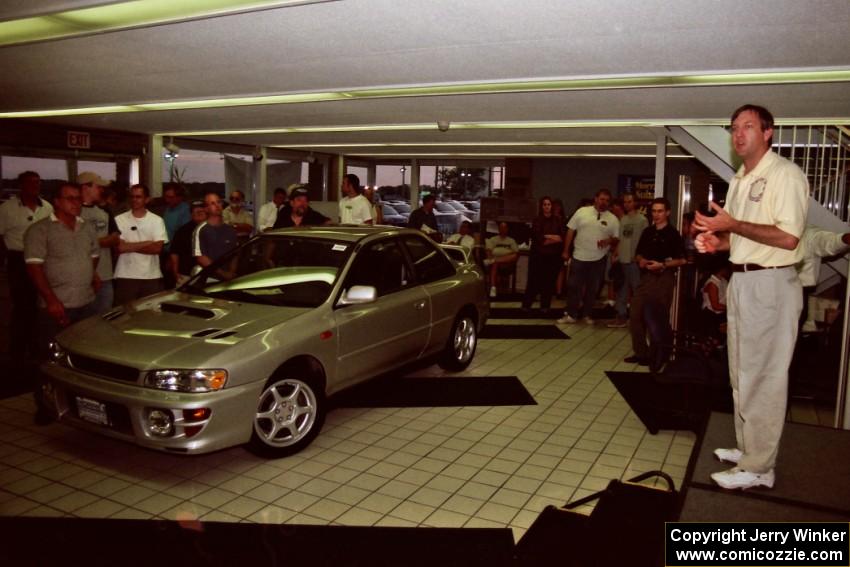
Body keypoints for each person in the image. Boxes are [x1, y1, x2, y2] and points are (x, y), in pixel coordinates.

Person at [694, 104, 809, 491]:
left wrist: (732, 224)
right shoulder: (742, 177)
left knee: (764, 377)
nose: (738, 134)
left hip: (771, 285)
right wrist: (717, 241)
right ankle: (748, 450)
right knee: (741, 371)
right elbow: (741, 237)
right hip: (743, 281)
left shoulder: (785, 175)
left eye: (748, 127)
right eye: (733, 128)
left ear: (768, 132)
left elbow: (788, 237)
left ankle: (761, 467)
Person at [24, 183, 99, 423]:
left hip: (85, 304)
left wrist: (89, 278)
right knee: (49, 360)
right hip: (56, 306)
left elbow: (93, 258)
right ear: (56, 201)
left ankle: (80, 405)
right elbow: (34, 267)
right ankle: (45, 407)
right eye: (70, 199)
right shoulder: (40, 230)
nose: (76, 203)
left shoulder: (86, 227)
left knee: (81, 359)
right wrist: (51, 299)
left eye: (78, 199)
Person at [622, 197, 686, 369]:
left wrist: (663, 264)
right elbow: (638, 254)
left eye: (660, 211)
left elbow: (682, 260)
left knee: (657, 317)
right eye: (654, 211)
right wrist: (641, 261)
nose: (656, 215)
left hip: (663, 278)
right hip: (646, 277)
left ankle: (658, 355)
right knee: (635, 313)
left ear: (667, 213)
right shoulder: (648, 232)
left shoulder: (673, 234)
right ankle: (640, 352)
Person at [0, 171, 53, 360]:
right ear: (21, 185)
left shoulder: (47, 207)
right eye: (30, 183)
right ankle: (17, 350)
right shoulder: (7, 208)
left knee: (41, 303)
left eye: (38, 182)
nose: (35, 186)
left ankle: (36, 346)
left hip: (41, 260)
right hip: (18, 259)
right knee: (22, 305)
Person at [558, 189, 620, 324]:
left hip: (598, 258)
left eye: (607, 200)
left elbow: (616, 238)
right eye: (602, 199)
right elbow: (570, 231)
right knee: (574, 286)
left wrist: (608, 241)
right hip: (579, 256)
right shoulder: (582, 211)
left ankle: (587, 314)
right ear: (596, 199)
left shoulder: (613, 219)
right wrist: (565, 250)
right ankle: (571, 314)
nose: (604, 202)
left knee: (593, 288)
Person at [114, 184, 168, 305]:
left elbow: (157, 248)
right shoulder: (119, 219)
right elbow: (120, 247)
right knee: (125, 315)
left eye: (138, 197)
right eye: (132, 197)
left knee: (149, 315)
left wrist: (129, 246)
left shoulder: (156, 220)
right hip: (126, 275)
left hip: (151, 276)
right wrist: (147, 242)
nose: (134, 200)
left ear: (146, 199)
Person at [78, 171, 120, 313]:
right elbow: (73, 242)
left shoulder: (104, 211)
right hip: (80, 278)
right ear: (85, 187)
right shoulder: (73, 212)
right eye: (98, 187)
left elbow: (115, 238)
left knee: (104, 318)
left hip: (105, 275)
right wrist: (102, 241)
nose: (101, 190)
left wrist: (91, 242)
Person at [609, 192, 648, 327]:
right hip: (622, 260)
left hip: (634, 262)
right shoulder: (623, 219)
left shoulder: (642, 220)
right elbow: (621, 240)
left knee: (637, 291)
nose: (627, 204)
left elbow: (644, 242)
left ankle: (639, 318)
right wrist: (616, 253)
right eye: (625, 202)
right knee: (621, 290)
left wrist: (639, 257)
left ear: (635, 203)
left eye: (630, 201)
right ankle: (621, 316)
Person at [522, 196, 565, 314]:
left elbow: (562, 237)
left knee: (549, 282)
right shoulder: (537, 220)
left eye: (549, 204)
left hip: (552, 256)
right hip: (538, 256)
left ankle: (545, 306)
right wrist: (553, 237)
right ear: (541, 206)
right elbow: (539, 238)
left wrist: (548, 236)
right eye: (544, 204)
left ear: (552, 206)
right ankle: (527, 305)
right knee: (533, 281)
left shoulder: (558, 220)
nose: (547, 206)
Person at [194, 191, 239, 268]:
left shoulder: (230, 229)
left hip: (230, 277)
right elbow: (201, 258)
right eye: (212, 203)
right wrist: (222, 274)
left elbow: (235, 253)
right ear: (206, 209)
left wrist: (231, 272)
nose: (217, 205)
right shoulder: (201, 230)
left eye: (218, 202)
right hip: (210, 277)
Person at [169, 200, 206, 286]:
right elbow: (174, 252)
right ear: (191, 214)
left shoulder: (212, 228)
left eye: (201, 210)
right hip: (185, 275)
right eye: (195, 211)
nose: (198, 213)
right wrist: (175, 271)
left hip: (208, 274)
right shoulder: (182, 231)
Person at [484, 222, 519, 298]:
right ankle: (493, 288)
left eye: (504, 228)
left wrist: (495, 259)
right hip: (495, 261)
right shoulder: (493, 239)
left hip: (507, 262)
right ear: (499, 229)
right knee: (495, 264)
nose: (503, 230)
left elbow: (516, 253)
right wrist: (490, 257)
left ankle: (495, 260)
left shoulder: (511, 240)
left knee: (514, 255)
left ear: (507, 229)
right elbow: (488, 251)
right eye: (501, 228)